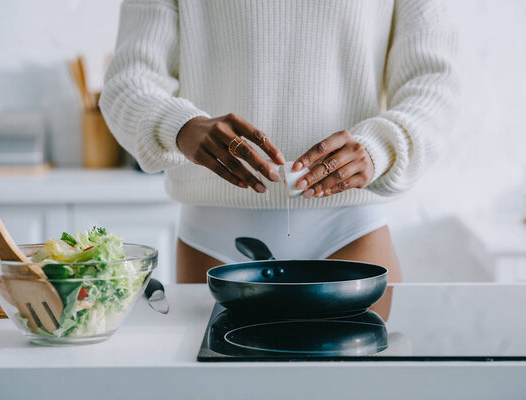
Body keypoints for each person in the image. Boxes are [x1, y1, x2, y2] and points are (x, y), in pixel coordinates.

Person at [100, 0, 459, 287]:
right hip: (213, 241)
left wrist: (379, 147)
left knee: (359, 382)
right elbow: (128, 81)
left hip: (351, 230)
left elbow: (434, 83)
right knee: (217, 383)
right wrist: (180, 126)